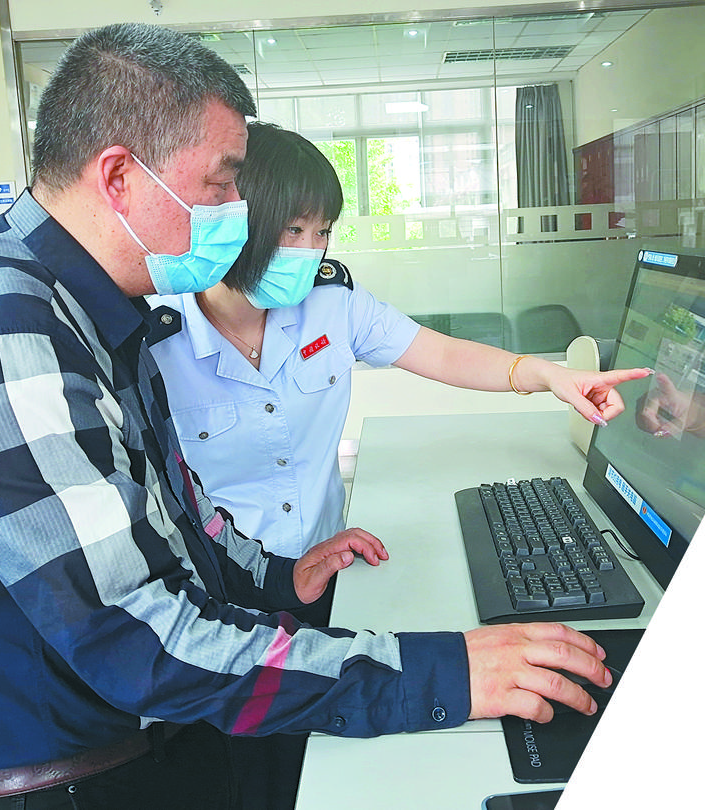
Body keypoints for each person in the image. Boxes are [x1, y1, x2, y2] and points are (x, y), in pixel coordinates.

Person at [0, 23, 613, 810]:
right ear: (119, 176)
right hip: (89, 768)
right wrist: (439, 673)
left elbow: (173, 512)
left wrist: (276, 576)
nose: (236, 212)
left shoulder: (90, 306)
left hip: (178, 705)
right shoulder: (12, 330)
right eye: (221, 184)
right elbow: (136, 637)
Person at [148, 121, 653, 560]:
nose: (310, 251)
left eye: (322, 232)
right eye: (294, 229)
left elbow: (443, 354)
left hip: (324, 563)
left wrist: (550, 375)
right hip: (218, 582)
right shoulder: (154, 338)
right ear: (238, 217)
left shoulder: (332, 304)